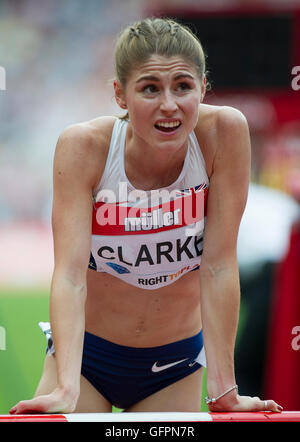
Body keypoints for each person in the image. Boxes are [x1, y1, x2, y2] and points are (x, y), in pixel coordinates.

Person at [10, 17, 282, 414]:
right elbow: (69, 274)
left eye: (183, 86)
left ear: (203, 88)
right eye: (150, 88)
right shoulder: (83, 147)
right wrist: (66, 387)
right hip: (87, 359)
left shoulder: (225, 132)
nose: (169, 105)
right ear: (120, 95)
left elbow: (219, 266)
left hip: (173, 364)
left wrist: (224, 391)